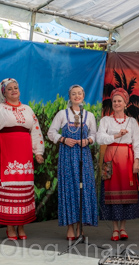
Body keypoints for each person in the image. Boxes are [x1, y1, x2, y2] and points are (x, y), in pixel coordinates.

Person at [48, 85, 98, 240]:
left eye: (80, 93)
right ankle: (70, 227)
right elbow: (51, 133)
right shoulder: (62, 114)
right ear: (69, 96)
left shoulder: (88, 115)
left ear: (84, 95)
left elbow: (95, 135)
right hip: (67, 157)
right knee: (69, 189)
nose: (77, 96)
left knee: (83, 189)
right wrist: (63, 139)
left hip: (83, 156)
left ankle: (80, 227)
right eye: (74, 94)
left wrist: (88, 140)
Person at [0, 78, 45, 240]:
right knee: (10, 188)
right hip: (7, 155)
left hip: (25, 156)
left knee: (24, 188)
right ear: (4, 93)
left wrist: (38, 152)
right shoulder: (1, 109)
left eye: (16, 88)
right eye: (10, 89)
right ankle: (10, 227)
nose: (14, 90)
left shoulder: (27, 109)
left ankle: (21, 226)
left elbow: (36, 131)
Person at [96, 88, 139, 241]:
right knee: (111, 192)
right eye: (114, 101)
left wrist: (137, 161)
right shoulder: (105, 120)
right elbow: (99, 138)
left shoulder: (132, 121)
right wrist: (116, 135)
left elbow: (138, 142)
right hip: (110, 159)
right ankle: (115, 229)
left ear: (125, 104)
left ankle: (123, 228)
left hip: (127, 160)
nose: (116, 103)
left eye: (119, 101)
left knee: (125, 193)